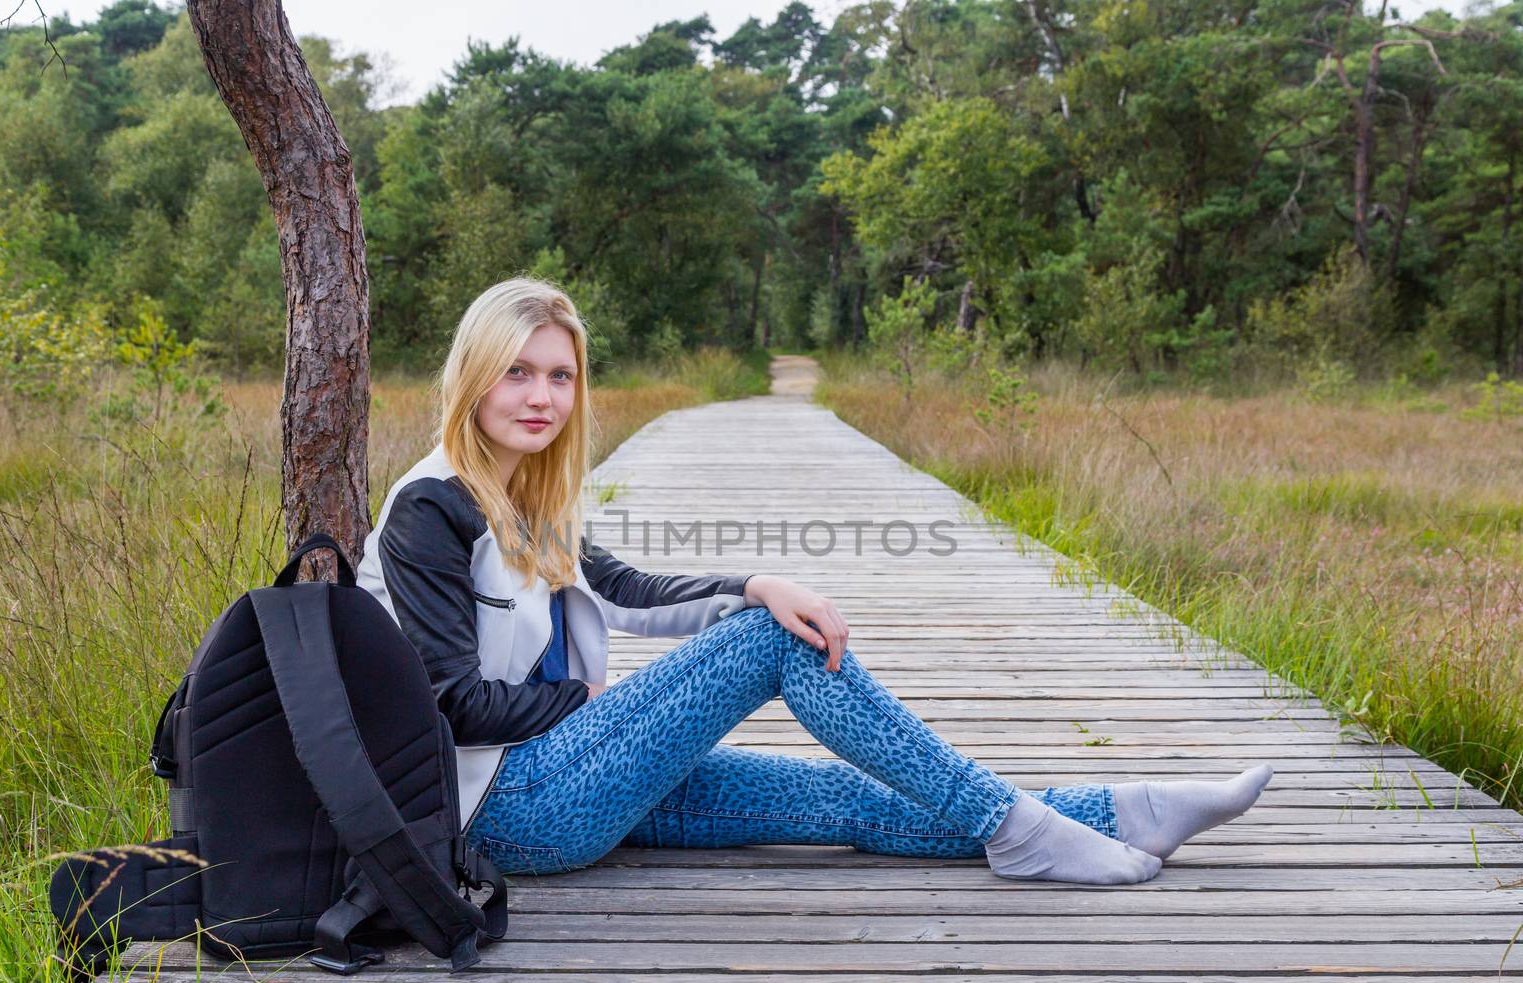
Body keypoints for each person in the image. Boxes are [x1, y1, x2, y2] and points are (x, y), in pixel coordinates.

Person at [355, 276, 1273, 885]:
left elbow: (627, 589)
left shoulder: (526, 498)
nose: (541, 396)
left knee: (836, 795)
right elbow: (450, 705)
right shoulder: (428, 508)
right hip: (504, 812)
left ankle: (1128, 811)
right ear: (474, 376)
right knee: (765, 645)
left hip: (573, 778)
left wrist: (756, 580)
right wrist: (592, 707)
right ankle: (1019, 835)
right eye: (516, 372)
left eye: (559, 375)